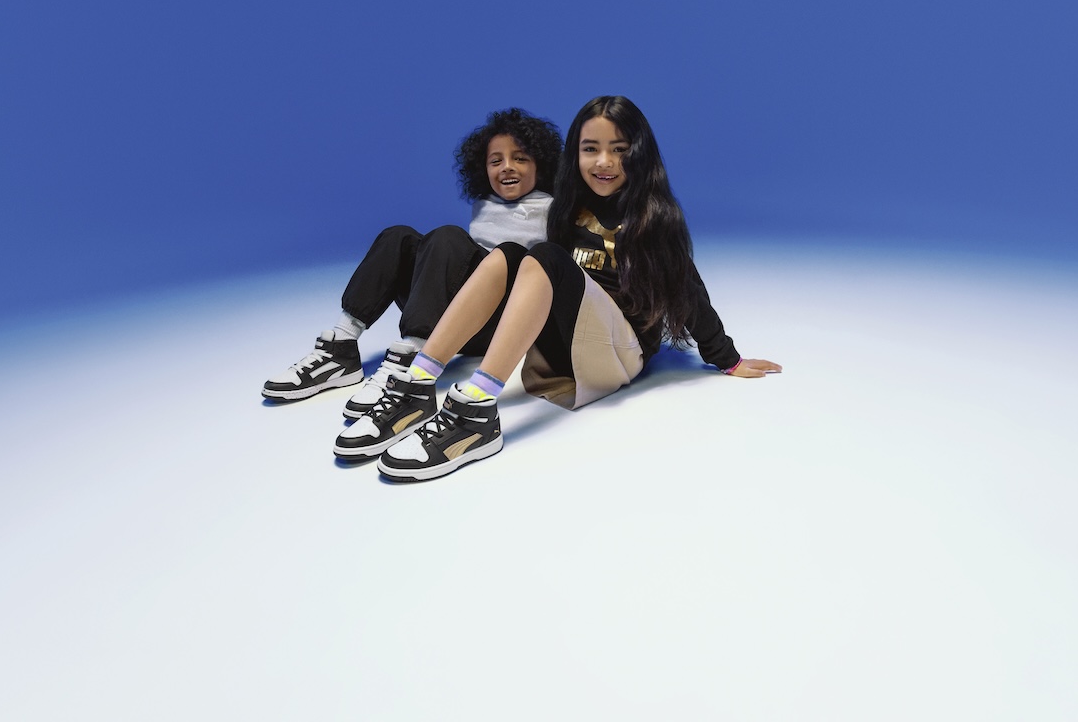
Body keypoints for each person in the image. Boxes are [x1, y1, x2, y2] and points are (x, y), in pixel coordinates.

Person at [335, 95, 782, 480]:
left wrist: (727, 358)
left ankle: (475, 408)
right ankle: (416, 384)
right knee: (511, 252)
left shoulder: (653, 217)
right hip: (571, 339)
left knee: (546, 258)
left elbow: (689, 289)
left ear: (640, 155)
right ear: (576, 155)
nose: (604, 162)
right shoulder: (567, 209)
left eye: (619, 149)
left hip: (618, 351)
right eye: (591, 149)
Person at [262, 108, 564, 428]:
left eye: (520, 158)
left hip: (494, 322)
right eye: (495, 161)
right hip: (450, 310)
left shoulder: (551, 208)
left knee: (448, 236)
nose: (507, 167)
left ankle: (411, 361)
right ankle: (341, 346)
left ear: (541, 164)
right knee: (399, 236)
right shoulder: (484, 204)